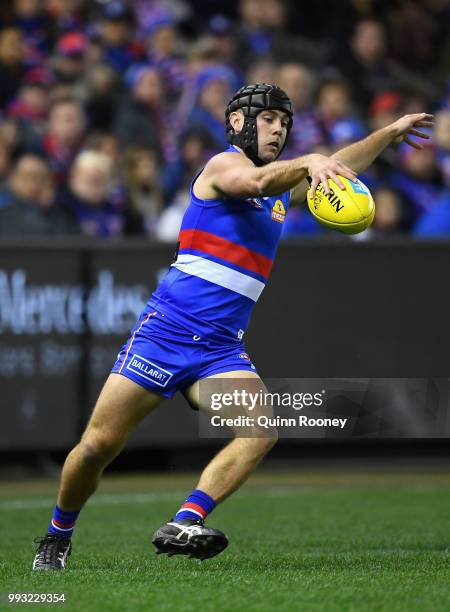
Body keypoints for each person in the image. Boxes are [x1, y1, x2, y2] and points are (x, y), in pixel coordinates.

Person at [32, 83, 433, 570]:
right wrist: (310, 160)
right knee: (97, 446)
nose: (278, 129)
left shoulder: (283, 190)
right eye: (268, 119)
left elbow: (336, 171)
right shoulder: (223, 167)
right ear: (239, 123)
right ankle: (56, 535)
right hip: (167, 334)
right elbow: (261, 182)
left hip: (219, 348)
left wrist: (386, 135)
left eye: (284, 123)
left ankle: (185, 520)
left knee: (261, 430)